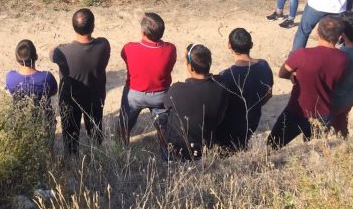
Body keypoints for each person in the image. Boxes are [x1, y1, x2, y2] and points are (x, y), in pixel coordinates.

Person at [268, 16, 347, 149]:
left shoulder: (303, 54)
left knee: (273, 145)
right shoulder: (343, 59)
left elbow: (282, 73)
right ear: (340, 36)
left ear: (317, 32)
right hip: (323, 114)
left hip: (297, 110)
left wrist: (293, 77)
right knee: (314, 149)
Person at [51, 9, 111, 157]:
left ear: (73, 26)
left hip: (69, 101)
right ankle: (96, 157)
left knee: (70, 135)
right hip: (94, 98)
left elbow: (51, 53)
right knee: (95, 132)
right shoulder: (103, 45)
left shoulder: (62, 51)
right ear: (93, 26)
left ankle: (72, 159)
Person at [118, 13, 176, 145]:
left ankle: (122, 148)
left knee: (124, 124)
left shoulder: (129, 48)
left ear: (143, 32)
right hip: (161, 94)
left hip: (134, 95)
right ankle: (165, 150)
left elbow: (124, 56)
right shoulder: (170, 49)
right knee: (163, 126)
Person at [164, 43, 228, 161]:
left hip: (179, 148)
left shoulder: (177, 89)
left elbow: (166, 105)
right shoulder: (222, 87)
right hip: (206, 144)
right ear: (209, 64)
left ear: (190, 67)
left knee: (163, 117)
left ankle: (167, 154)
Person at [214, 28, 273, 152]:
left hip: (229, 128)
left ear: (229, 45)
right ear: (251, 45)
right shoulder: (264, 65)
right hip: (252, 122)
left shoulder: (225, 76)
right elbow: (268, 95)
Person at [5, 40, 58, 122]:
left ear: (17, 59)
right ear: (36, 56)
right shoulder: (47, 77)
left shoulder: (10, 77)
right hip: (44, 120)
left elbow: (11, 92)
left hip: (20, 121)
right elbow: (54, 92)